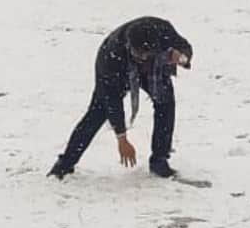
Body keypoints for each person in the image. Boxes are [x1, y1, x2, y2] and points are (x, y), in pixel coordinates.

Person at [49, 17, 192, 180]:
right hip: (120, 69)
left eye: (147, 54)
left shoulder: (164, 31)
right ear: (129, 46)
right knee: (97, 112)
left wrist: (182, 58)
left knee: (165, 104)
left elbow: (185, 47)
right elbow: (112, 102)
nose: (143, 58)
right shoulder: (110, 56)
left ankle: (160, 161)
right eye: (139, 54)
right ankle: (65, 164)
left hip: (155, 69)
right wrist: (121, 138)